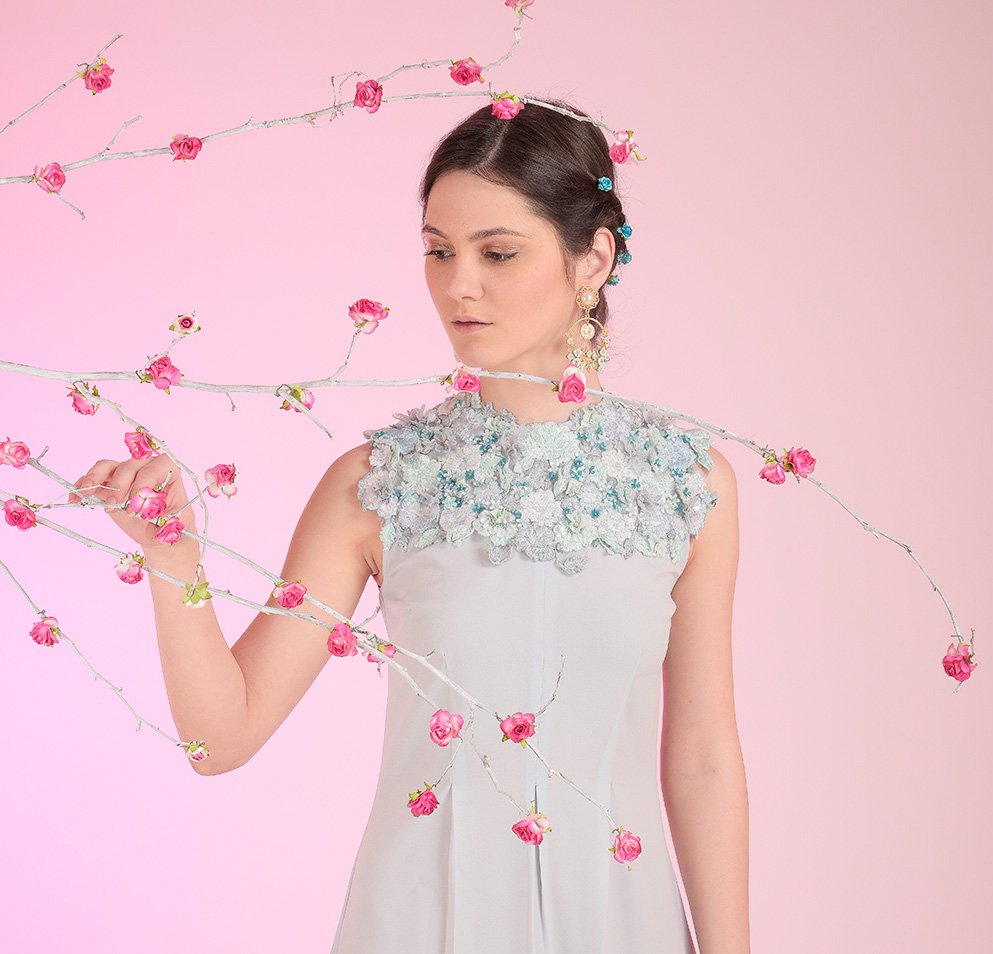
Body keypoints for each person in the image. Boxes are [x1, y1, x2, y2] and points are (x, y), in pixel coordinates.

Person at [69, 97, 748, 953]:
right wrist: (175, 560)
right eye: (438, 250)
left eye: (497, 252)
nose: (458, 285)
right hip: (426, 918)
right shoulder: (379, 485)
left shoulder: (687, 486)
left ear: (593, 258)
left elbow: (703, 759)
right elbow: (221, 737)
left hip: (620, 922)